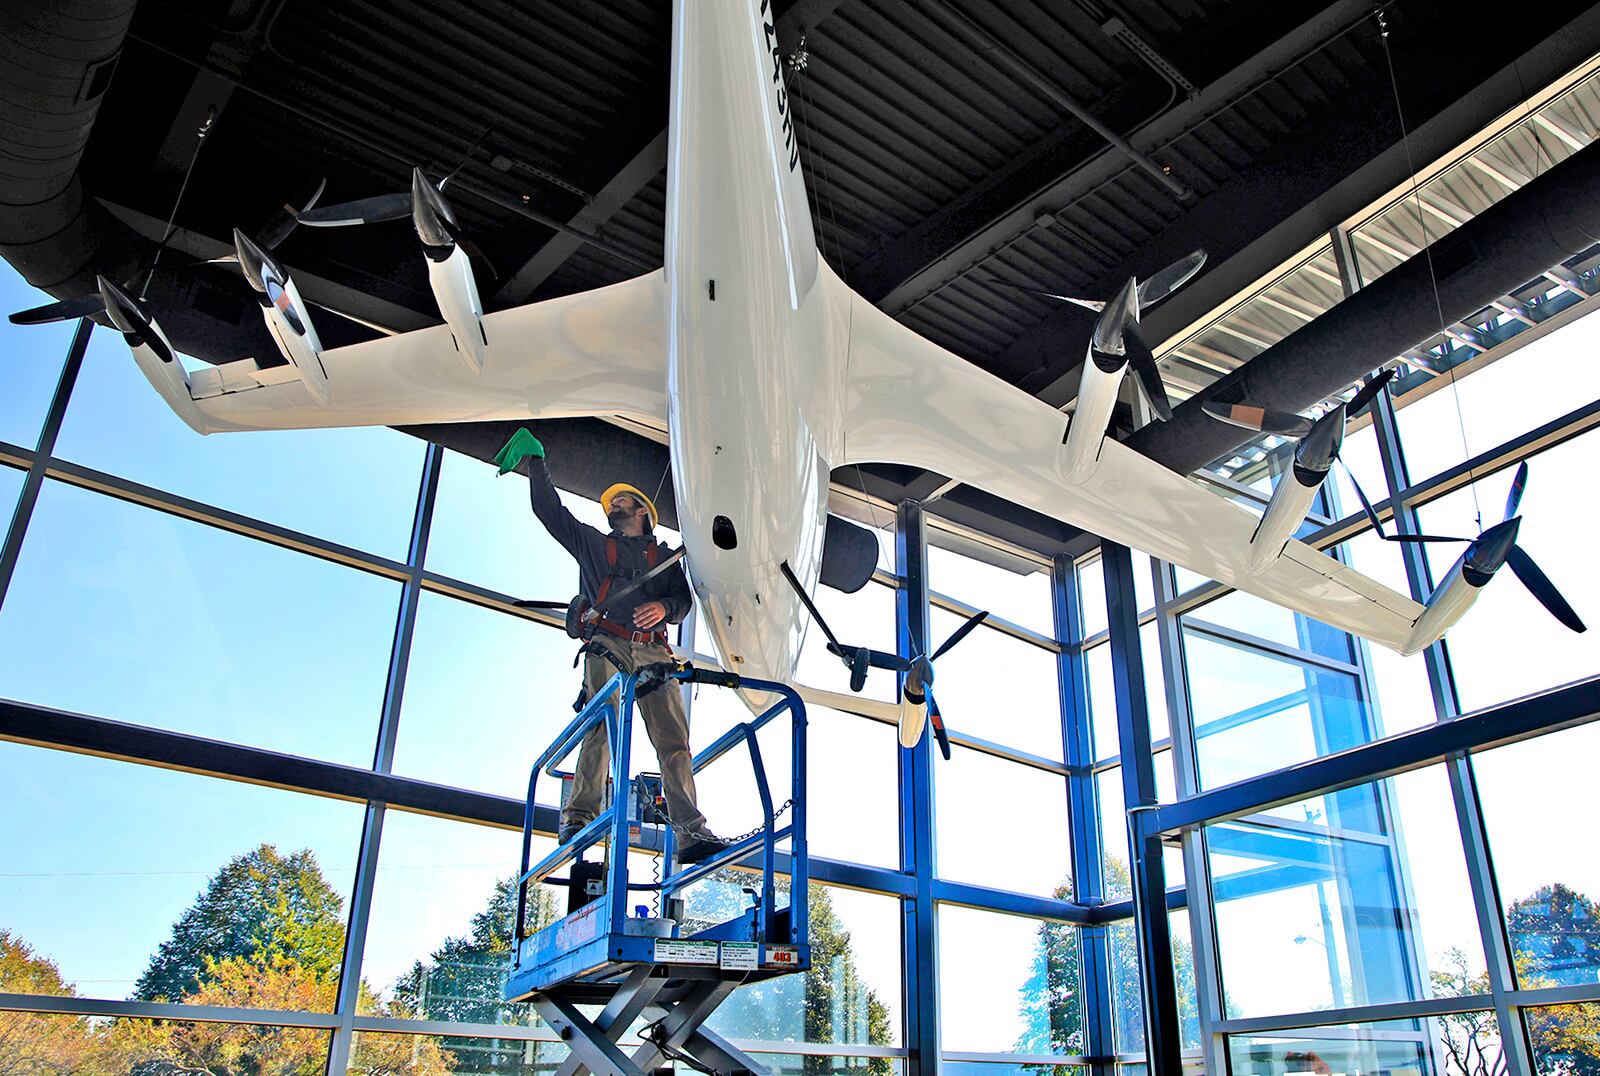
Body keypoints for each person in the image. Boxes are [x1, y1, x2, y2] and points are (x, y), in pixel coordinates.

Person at [494, 427, 722, 864]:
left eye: (621, 501)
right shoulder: (594, 546)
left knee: (674, 741)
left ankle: (691, 831)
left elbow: (683, 603)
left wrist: (663, 606)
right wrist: (537, 464)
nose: (613, 505)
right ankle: (579, 815)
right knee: (601, 724)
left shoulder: (667, 558)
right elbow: (551, 512)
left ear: (643, 511)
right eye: (611, 503)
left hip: (654, 652)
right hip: (609, 645)